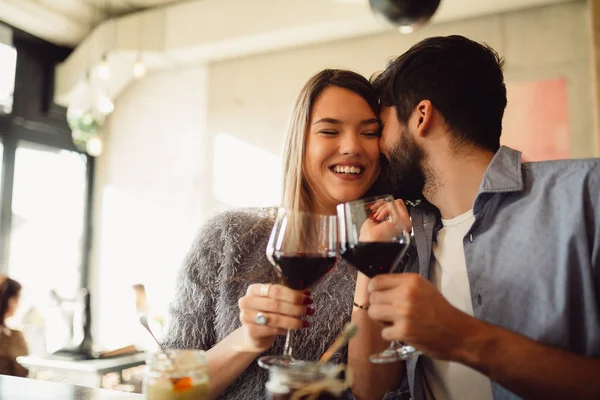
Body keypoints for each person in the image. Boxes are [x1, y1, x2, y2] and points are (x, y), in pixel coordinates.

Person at [363, 35, 600, 400]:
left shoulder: (587, 193)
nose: (376, 150)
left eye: (380, 129)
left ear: (421, 117)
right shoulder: (403, 238)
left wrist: (462, 337)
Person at [163, 69, 403, 399]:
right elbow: (169, 388)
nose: (352, 147)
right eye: (330, 130)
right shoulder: (227, 238)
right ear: (299, 142)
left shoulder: (395, 249)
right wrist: (246, 338)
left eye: (369, 133)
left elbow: (375, 393)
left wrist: (371, 265)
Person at [0, 276, 28, 377]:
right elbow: (22, 372)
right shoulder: (13, 336)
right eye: (18, 298)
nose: (18, 304)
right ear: (9, 300)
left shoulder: (10, 333)